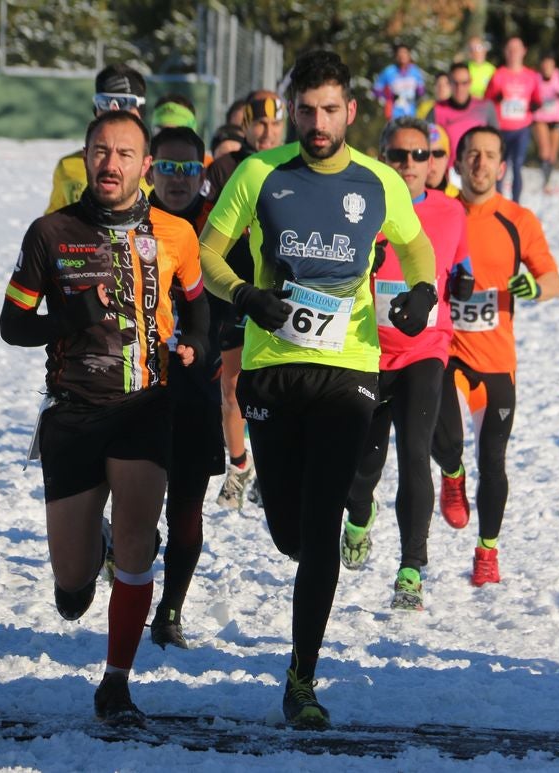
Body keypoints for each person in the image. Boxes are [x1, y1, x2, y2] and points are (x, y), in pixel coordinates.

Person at [198, 49, 438, 728]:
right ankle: (301, 538)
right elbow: (209, 254)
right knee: (288, 532)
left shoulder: (379, 181)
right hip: (272, 364)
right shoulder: (259, 173)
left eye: (331, 110)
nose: (318, 122)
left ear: (352, 112)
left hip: (349, 365)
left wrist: (422, 291)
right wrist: (246, 293)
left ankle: (301, 678)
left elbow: (416, 247)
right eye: (306, 110)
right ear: (292, 108)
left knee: (323, 525)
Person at [0, 111, 208, 727]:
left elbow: (198, 310)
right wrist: (69, 318)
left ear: (145, 165)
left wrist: (194, 344)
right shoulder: (50, 233)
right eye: (100, 151)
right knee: (71, 590)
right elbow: (13, 326)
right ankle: (95, 553)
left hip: (145, 405)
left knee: (143, 528)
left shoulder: (175, 234)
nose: (110, 164)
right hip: (72, 411)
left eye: (124, 154)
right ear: (85, 157)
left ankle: (116, 682)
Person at [341, 116, 473, 611]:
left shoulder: (449, 212)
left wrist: (461, 283)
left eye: (422, 155)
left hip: (424, 352)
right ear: (382, 159)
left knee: (415, 453)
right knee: (362, 469)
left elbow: (462, 268)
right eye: (400, 155)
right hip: (367, 351)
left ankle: (411, 570)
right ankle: (358, 515)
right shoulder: (358, 208)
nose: (412, 165)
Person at [431, 125, 559, 588]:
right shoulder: (443, 212)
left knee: (494, 460)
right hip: (447, 352)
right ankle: (451, 473)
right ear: (459, 161)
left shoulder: (518, 220)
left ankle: (487, 551)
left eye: (489, 155)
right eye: (472, 154)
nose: (480, 163)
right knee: (441, 435)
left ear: (502, 167)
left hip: (496, 361)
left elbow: (553, 279)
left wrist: (535, 288)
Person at [143, 127, 232, 648]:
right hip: (136, 385)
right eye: (168, 169)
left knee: (187, 508)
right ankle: (125, 547)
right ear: (151, 168)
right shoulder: (130, 220)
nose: (177, 180)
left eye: (188, 169)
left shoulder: (219, 227)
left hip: (196, 384)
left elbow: (238, 288)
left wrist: (224, 343)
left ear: (202, 171)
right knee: (136, 504)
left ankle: (170, 611)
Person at [201, 90, 288, 510]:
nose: (268, 132)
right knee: (232, 386)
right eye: (260, 124)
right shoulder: (225, 169)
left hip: (286, 294)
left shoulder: (297, 165)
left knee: (281, 388)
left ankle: (279, 468)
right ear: (246, 125)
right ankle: (239, 466)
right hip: (235, 290)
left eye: (275, 124)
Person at [45, 64, 149, 214]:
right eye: (105, 102)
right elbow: (52, 226)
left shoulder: (162, 171)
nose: (114, 109)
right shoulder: (68, 167)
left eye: (125, 102)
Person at [486, 37, 542, 202]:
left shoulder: (531, 76)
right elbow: (486, 99)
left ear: (524, 51)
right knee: (500, 167)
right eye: (510, 49)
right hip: (501, 129)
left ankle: (516, 203)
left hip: (521, 129)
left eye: (516, 49)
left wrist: (535, 105)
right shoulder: (498, 75)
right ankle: (498, 202)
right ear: (505, 52)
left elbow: (537, 99)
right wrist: (496, 97)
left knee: (517, 166)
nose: (513, 53)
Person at [431, 62, 498, 174]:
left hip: (479, 171)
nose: (459, 88)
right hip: (449, 173)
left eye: (464, 83)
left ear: (470, 82)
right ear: (449, 83)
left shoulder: (485, 107)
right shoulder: (437, 110)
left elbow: (496, 143)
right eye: (455, 83)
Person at [532, 53, 559, 193]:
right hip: (540, 118)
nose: (547, 67)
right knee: (544, 151)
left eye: (549, 64)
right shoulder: (536, 78)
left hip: (556, 118)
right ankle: (545, 182)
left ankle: (548, 180)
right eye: (544, 64)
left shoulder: (558, 77)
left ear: (553, 66)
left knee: (552, 154)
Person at [373, 43, 427, 120]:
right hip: (394, 115)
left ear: (409, 55)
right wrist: (388, 97)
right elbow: (376, 90)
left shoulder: (415, 71)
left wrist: (418, 94)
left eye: (405, 53)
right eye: (399, 53)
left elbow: (422, 91)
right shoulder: (389, 71)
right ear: (396, 56)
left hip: (412, 114)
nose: (402, 56)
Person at [425, 123, 460, 196]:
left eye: (438, 153)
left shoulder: (460, 200)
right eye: (423, 154)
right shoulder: (402, 199)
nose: (430, 161)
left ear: (447, 158)